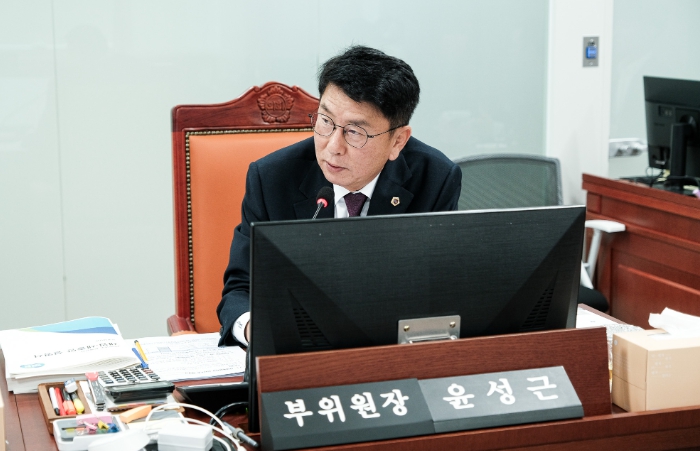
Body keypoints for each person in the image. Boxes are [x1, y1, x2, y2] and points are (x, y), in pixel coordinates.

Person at [217, 45, 462, 346]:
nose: (333, 146)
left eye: (355, 132)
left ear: (398, 141)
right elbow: (241, 288)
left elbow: (441, 289)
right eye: (325, 121)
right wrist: (256, 330)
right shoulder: (272, 179)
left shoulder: (434, 179)